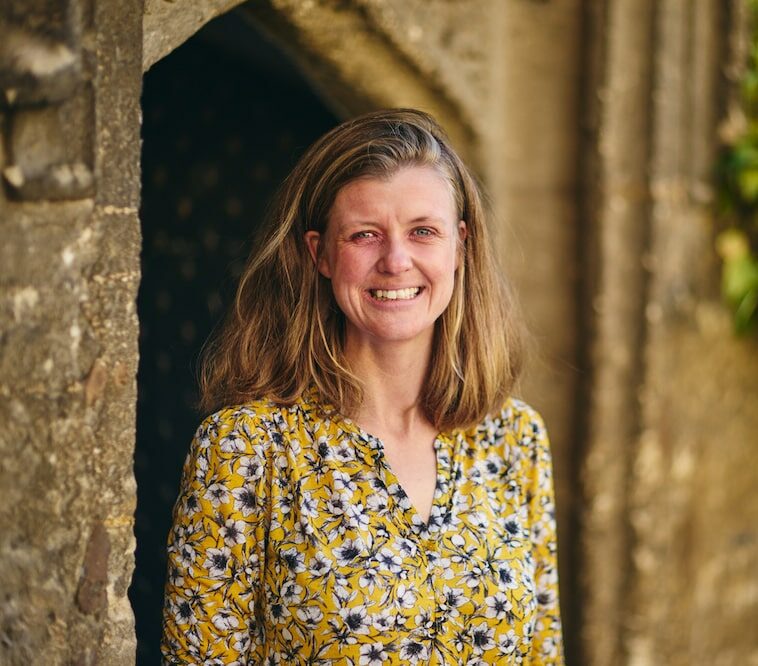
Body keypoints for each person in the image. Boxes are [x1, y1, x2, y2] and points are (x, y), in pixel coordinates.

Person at [161, 109, 564, 665]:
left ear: (460, 247)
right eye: (365, 235)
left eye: (423, 231)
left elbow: (541, 655)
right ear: (320, 253)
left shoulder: (514, 441)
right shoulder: (246, 450)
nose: (396, 261)